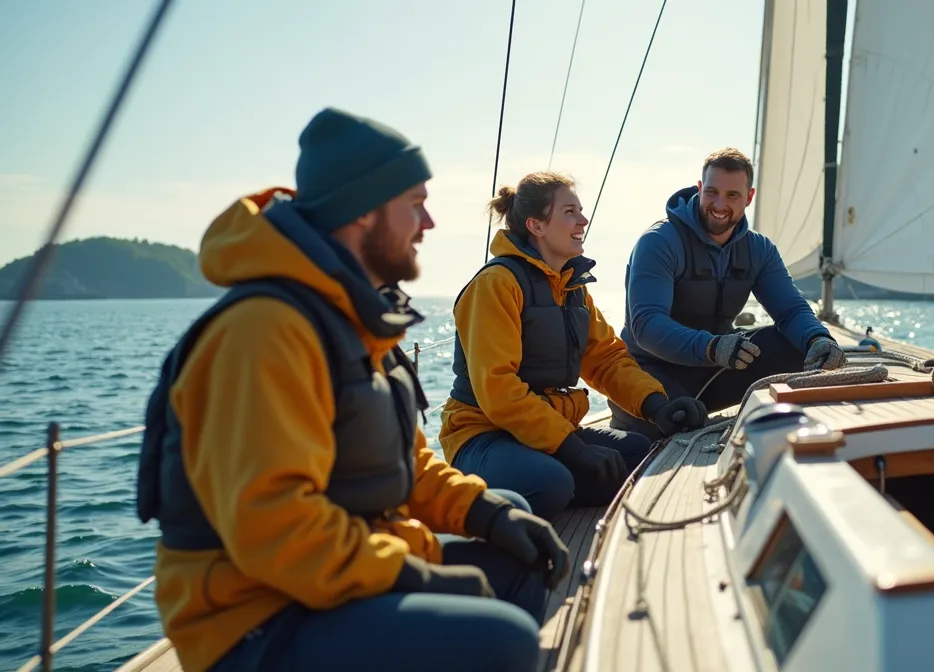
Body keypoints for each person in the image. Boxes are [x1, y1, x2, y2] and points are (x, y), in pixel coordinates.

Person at [135, 108, 570, 672]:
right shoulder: (265, 331)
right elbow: (278, 531)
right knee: (502, 641)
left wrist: (485, 513)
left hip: (334, 573)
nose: (429, 223)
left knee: (519, 548)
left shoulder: (352, 312)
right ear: (365, 213)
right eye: (415, 203)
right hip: (252, 620)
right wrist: (415, 572)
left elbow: (405, 461)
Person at [438, 171, 708, 521]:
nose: (583, 220)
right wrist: (572, 449)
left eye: (580, 211)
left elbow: (606, 359)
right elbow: (498, 389)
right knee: (551, 483)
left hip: (542, 431)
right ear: (536, 225)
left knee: (638, 454)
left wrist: (658, 407)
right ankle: (491, 497)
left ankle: (543, 476)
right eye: (570, 212)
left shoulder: (572, 288)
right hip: (483, 435)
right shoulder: (496, 284)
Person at [609, 148, 848, 439]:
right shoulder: (658, 242)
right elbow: (646, 325)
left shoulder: (759, 250)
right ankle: (635, 419)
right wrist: (712, 347)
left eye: (732, 195)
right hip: (651, 372)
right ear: (699, 189)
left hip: (716, 369)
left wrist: (818, 339)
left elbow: (790, 310)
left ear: (749, 197)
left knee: (800, 346)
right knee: (682, 417)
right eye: (712, 192)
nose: (719, 204)